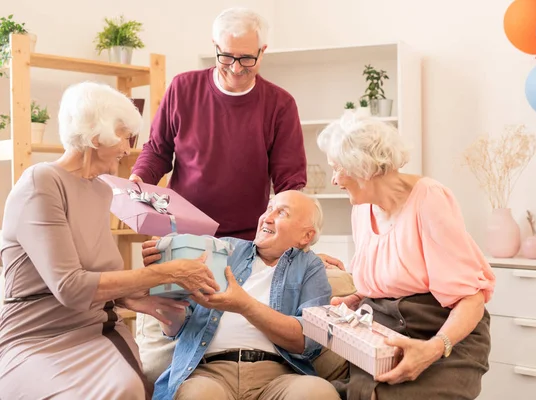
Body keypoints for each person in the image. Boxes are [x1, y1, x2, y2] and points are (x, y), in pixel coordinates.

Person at [0, 82, 221, 400]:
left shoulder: (101, 190)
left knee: (125, 389)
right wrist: (169, 273)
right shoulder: (41, 182)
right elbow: (70, 286)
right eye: (123, 135)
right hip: (36, 335)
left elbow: (89, 269)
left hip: (96, 329)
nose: (128, 148)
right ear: (95, 134)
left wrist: (129, 298)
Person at [316, 114, 496, 400]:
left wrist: (435, 347)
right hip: (385, 333)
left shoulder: (429, 199)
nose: (335, 180)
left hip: (442, 333)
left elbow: (471, 299)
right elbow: (383, 283)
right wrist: (353, 300)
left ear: (363, 168)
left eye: (338, 169)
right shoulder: (362, 208)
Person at [130, 7, 307, 241]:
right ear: (215, 46)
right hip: (179, 231)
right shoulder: (182, 88)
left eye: (246, 58)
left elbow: (290, 183)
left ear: (262, 52)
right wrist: (140, 178)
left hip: (247, 240)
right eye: (227, 57)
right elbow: (157, 150)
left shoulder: (280, 105)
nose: (235, 68)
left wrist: (288, 234)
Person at [142, 190, 340, 400]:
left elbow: (307, 340)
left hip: (278, 377)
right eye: (269, 208)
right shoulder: (223, 250)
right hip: (209, 373)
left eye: (282, 213)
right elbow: (176, 327)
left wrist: (244, 305)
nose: (268, 217)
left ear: (306, 236)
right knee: (197, 395)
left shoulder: (310, 267)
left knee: (318, 393)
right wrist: (165, 287)